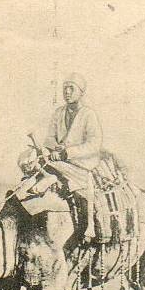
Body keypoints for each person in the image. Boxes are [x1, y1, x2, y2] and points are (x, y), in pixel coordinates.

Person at [43, 73, 102, 239]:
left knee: (81, 191)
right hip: (59, 161)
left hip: (81, 165)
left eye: (71, 88)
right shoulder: (58, 113)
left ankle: (86, 230)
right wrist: (55, 148)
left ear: (81, 92)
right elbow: (49, 137)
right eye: (64, 88)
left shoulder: (88, 115)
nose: (67, 92)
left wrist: (68, 152)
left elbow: (94, 144)